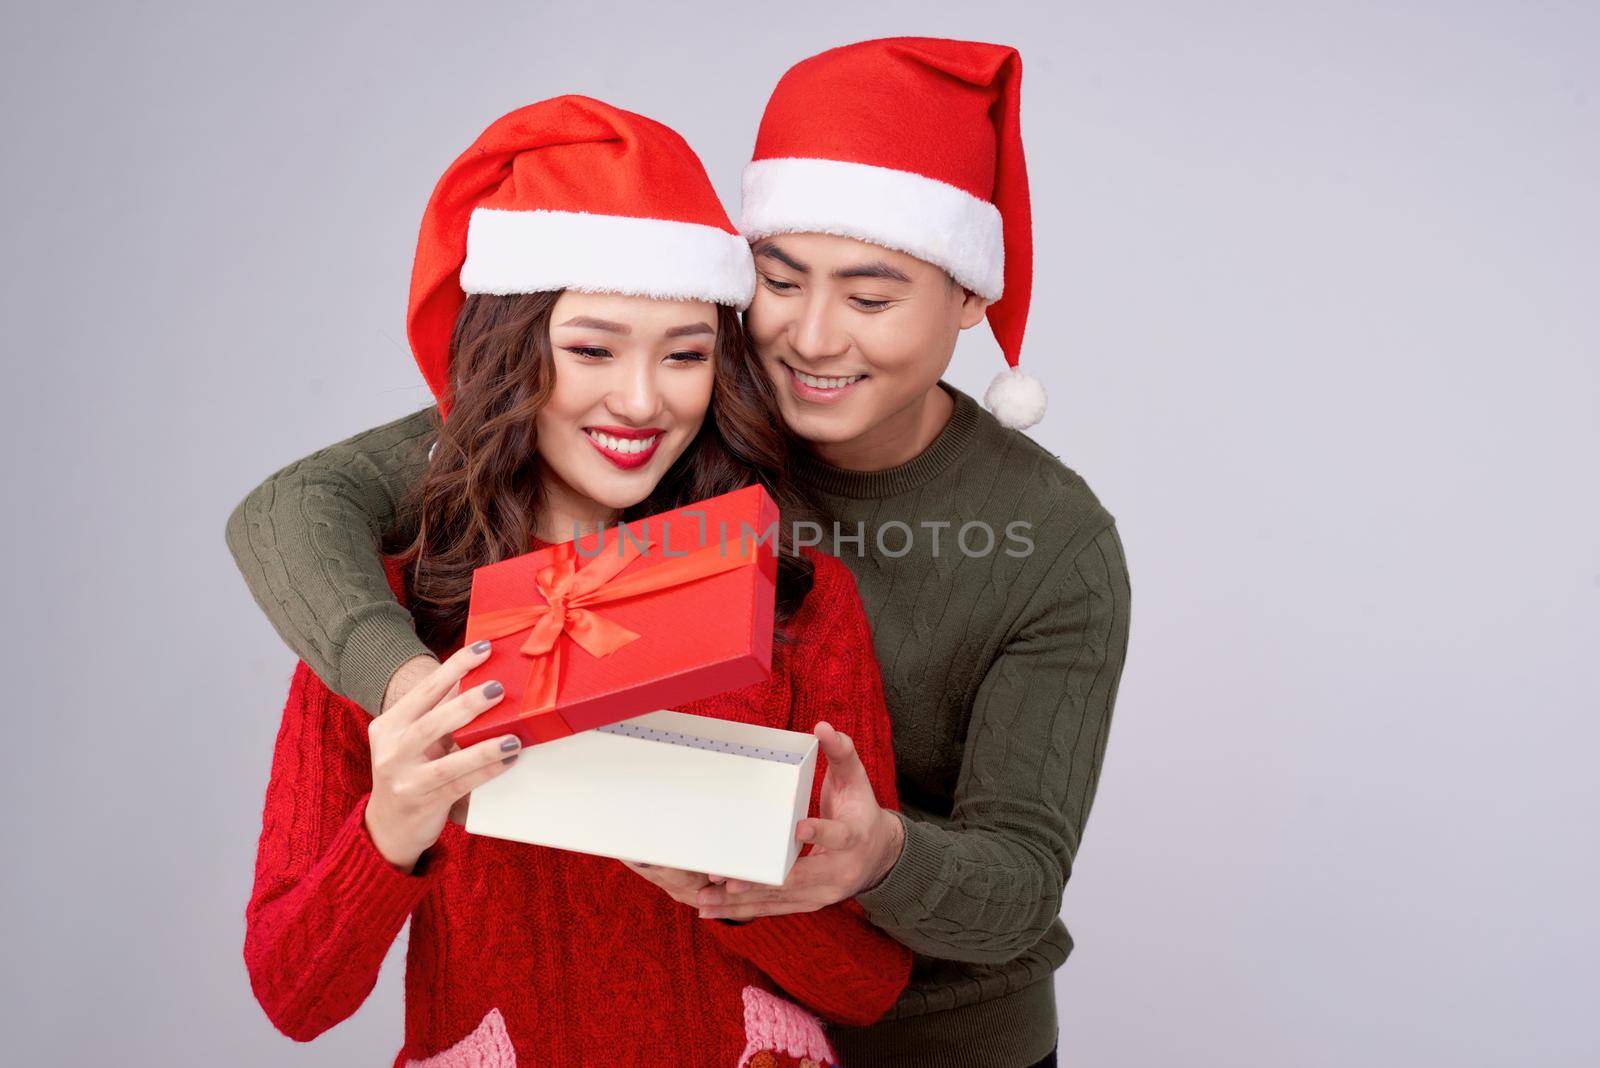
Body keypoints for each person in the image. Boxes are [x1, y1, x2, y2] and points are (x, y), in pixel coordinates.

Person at [228, 39, 1133, 1068]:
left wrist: (827, 866)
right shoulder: (421, 578)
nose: (813, 341)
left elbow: (973, 908)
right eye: (779, 284)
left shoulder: (911, 569)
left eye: (871, 299)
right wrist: (399, 741)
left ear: (968, 294)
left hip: (939, 1030)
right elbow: (300, 507)